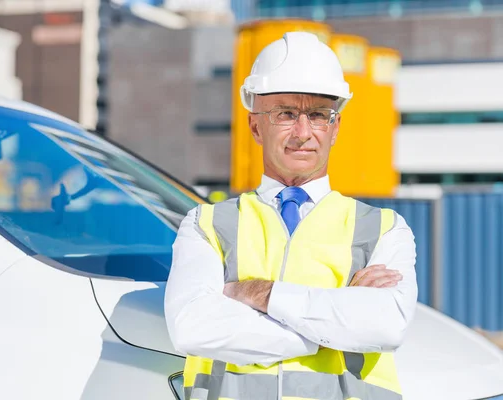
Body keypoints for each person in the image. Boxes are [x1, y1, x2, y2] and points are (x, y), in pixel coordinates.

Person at [164, 31, 418, 400]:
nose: (303, 133)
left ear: (335, 129)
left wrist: (254, 293)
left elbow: (386, 326)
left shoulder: (384, 229)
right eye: (286, 114)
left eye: (318, 115)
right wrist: (332, 323)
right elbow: (192, 328)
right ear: (255, 126)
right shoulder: (206, 225)